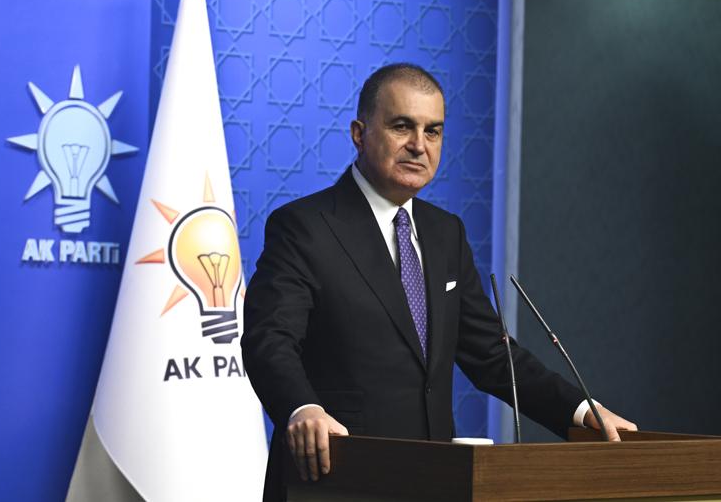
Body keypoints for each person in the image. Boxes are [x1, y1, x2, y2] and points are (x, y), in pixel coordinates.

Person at [241, 63, 636, 502]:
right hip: (337, 478)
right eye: (401, 126)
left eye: (433, 131)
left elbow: (491, 355)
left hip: (435, 479)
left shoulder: (446, 233)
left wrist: (580, 410)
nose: (419, 145)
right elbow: (269, 339)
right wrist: (301, 407)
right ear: (359, 134)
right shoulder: (305, 227)